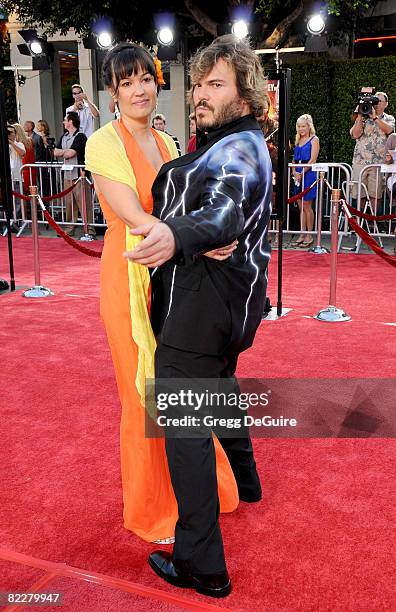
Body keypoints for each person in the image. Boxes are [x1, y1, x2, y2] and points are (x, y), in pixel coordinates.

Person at [126, 34, 272, 597]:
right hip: (231, 304)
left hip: (203, 304)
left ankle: (202, 564)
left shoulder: (239, 150)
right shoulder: (234, 141)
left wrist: (175, 232)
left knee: (184, 426)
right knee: (222, 387)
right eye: (199, 85)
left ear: (244, 96)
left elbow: (226, 211)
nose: (201, 96)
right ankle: (248, 483)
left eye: (216, 85)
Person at [85, 43, 239, 545]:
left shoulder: (171, 143)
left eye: (145, 80)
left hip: (174, 276)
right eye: (126, 83)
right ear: (112, 92)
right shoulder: (102, 144)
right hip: (128, 276)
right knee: (141, 393)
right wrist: (195, 241)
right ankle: (154, 507)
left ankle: (192, 495)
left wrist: (205, 235)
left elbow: (191, 206)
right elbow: (130, 212)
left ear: (157, 83)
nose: (138, 90)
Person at [350, 92, 394, 211]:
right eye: (375, 101)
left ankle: (372, 222)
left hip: (378, 163)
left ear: (386, 104)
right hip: (360, 161)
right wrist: (359, 115)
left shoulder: (389, 118)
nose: (376, 104)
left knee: (375, 194)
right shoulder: (363, 116)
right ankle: (361, 222)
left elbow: (389, 130)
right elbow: (355, 134)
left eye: (379, 101)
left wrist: (375, 118)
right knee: (359, 194)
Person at [53, 112, 95, 237]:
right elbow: (55, 152)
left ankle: (90, 229)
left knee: (84, 202)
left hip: (80, 175)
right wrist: (64, 152)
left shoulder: (81, 136)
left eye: (65, 120)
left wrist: (63, 152)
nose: (63, 122)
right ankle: (69, 228)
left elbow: (71, 153)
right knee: (69, 203)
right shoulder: (64, 136)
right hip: (67, 174)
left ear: (71, 121)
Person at [291, 114, 319, 248]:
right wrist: (294, 172)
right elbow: (293, 160)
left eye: (303, 126)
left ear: (309, 126)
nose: (301, 129)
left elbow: (313, 160)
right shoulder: (297, 140)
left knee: (307, 206)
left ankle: (309, 234)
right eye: (299, 126)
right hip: (297, 174)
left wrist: (302, 173)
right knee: (300, 206)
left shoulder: (314, 140)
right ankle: (302, 233)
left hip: (309, 175)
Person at [7, 124, 25, 231]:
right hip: (7, 178)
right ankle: (7, 221)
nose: (9, 134)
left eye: (11, 132)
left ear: (15, 133)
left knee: (17, 202)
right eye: (7, 132)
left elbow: (22, 153)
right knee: (8, 201)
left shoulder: (19, 144)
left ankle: (15, 222)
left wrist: (11, 143)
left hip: (17, 177)